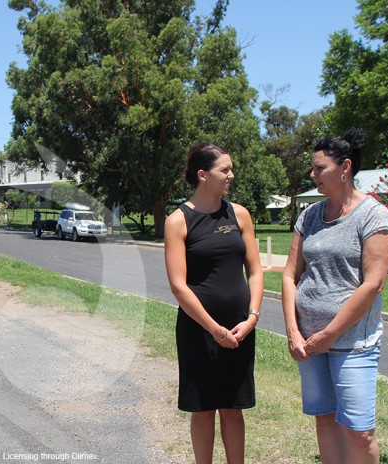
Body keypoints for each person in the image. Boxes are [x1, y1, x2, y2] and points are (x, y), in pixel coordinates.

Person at [281, 128, 388, 463]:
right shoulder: (310, 216)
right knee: (325, 418)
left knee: (359, 432)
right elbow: (290, 275)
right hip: (308, 344)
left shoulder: (374, 215)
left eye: (319, 168)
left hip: (352, 344)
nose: (312, 174)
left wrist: (329, 335)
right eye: (313, 169)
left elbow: (373, 284)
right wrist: (293, 332)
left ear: (345, 167)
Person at [164, 142, 264, 464]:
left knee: (233, 410)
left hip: (240, 328)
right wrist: (214, 329)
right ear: (203, 175)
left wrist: (252, 317)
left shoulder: (239, 214)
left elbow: (256, 270)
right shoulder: (178, 221)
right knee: (204, 410)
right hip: (199, 330)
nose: (231, 175)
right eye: (225, 170)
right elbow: (179, 286)